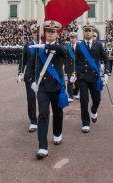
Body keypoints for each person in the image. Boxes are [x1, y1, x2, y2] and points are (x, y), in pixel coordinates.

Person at [27, 20, 68, 159]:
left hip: (56, 86)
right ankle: (42, 147)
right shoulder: (38, 49)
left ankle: (57, 133)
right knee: (43, 114)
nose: (50, 33)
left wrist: (45, 45)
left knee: (57, 113)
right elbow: (31, 67)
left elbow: (64, 50)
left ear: (57, 34)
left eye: (53, 31)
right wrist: (32, 81)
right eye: (48, 31)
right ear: (44, 33)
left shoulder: (61, 46)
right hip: (43, 87)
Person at [73, 22, 110, 133]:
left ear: (93, 32)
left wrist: (106, 73)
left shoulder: (98, 45)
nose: (88, 32)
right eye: (86, 30)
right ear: (83, 32)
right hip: (83, 76)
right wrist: (75, 74)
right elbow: (75, 61)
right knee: (84, 100)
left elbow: (106, 60)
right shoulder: (79, 46)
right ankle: (85, 122)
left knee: (97, 99)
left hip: (94, 77)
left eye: (90, 30)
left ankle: (93, 110)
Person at [18, 25, 39, 133]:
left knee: (42, 99)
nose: (36, 34)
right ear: (32, 34)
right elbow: (23, 60)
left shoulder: (43, 45)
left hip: (41, 76)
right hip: (30, 76)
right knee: (31, 99)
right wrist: (20, 72)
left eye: (37, 32)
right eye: (34, 33)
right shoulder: (27, 46)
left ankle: (42, 119)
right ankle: (33, 121)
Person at [64, 32, 79, 101]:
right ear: (70, 39)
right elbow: (65, 58)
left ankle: (75, 93)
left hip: (77, 67)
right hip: (69, 67)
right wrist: (66, 68)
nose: (72, 39)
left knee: (77, 81)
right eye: (71, 38)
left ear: (76, 38)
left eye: (74, 38)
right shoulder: (67, 47)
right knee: (70, 81)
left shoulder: (79, 47)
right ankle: (70, 96)